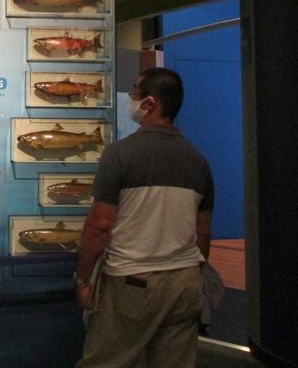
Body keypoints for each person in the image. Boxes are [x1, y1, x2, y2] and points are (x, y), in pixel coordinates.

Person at [75, 67, 214, 368]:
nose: (131, 99)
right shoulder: (198, 161)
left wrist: (84, 279)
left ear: (150, 103)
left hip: (132, 282)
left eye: (135, 92)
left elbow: (99, 226)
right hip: (184, 282)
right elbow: (203, 233)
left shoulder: (119, 155)